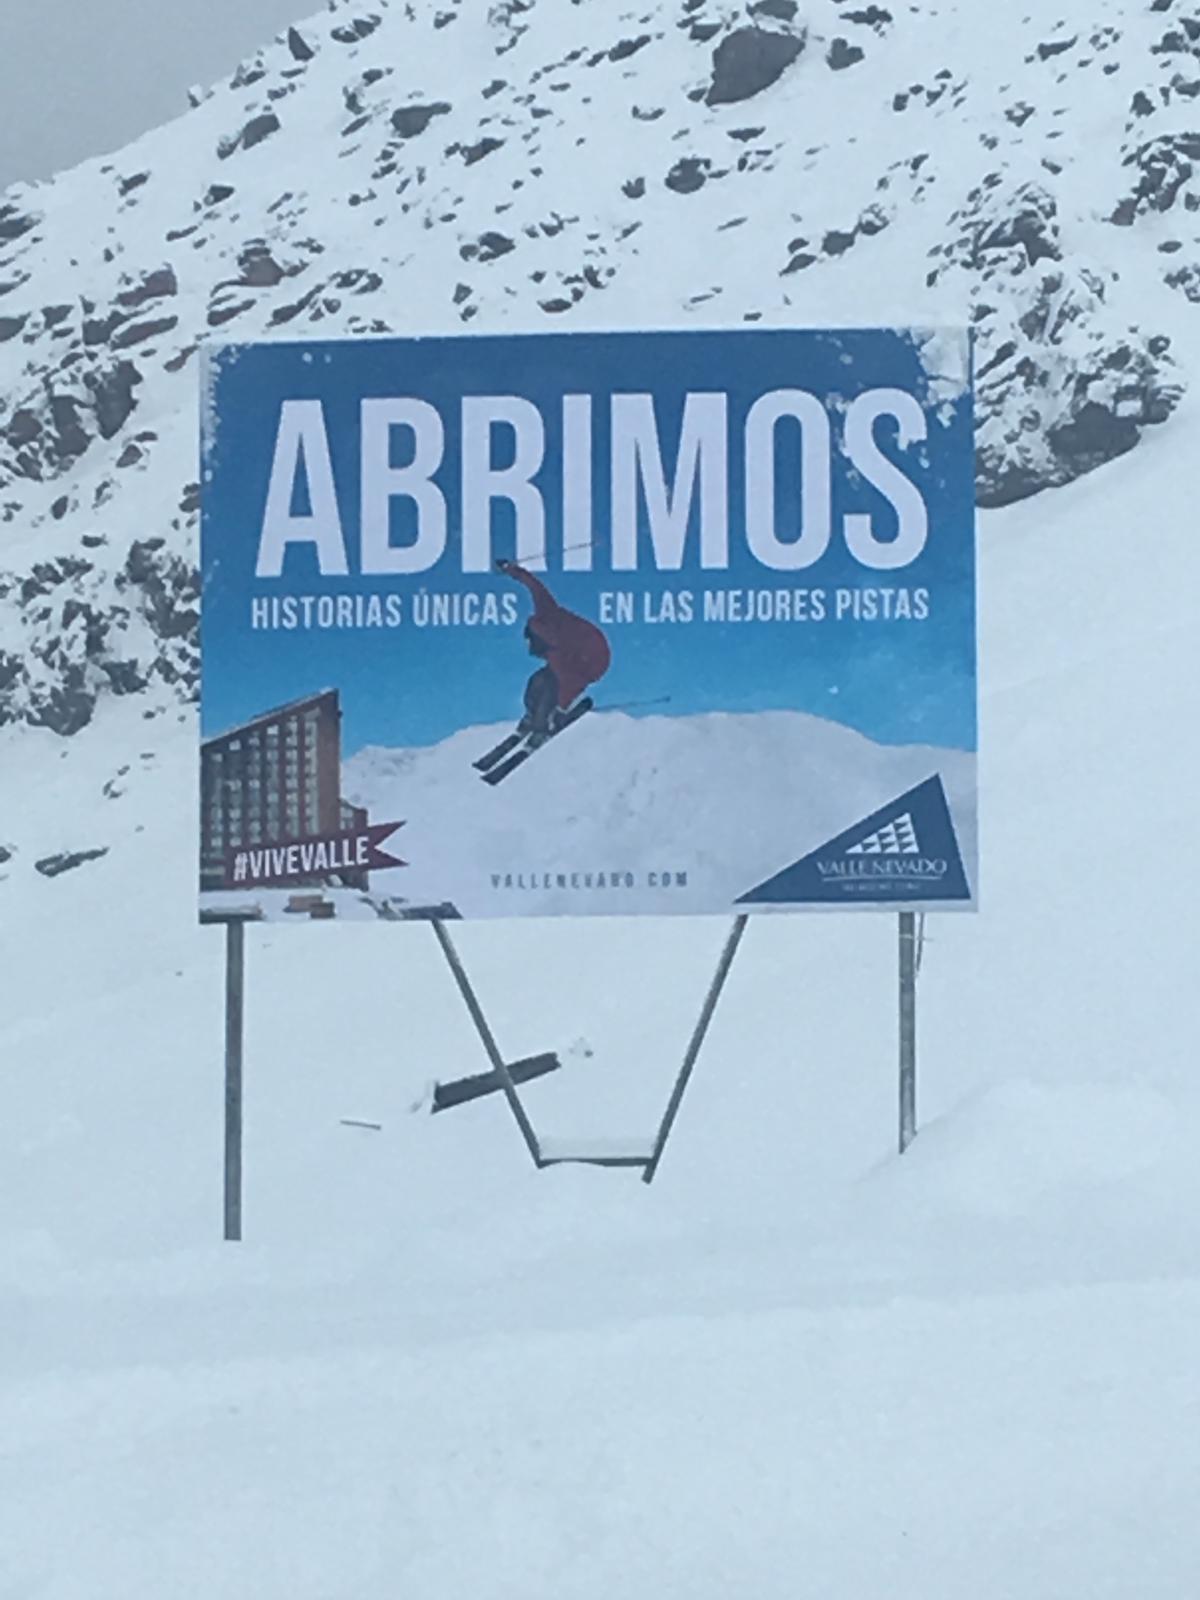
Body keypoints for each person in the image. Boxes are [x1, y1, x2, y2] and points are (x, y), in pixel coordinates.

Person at [496, 558, 611, 744]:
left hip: (594, 660)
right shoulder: (546, 612)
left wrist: (562, 711)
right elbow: (534, 586)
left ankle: (542, 725)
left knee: (551, 686)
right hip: (584, 649)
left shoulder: (557, 652)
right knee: (537, 680)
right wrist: (511, 569)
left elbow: (569, 682)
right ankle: (533, 717)